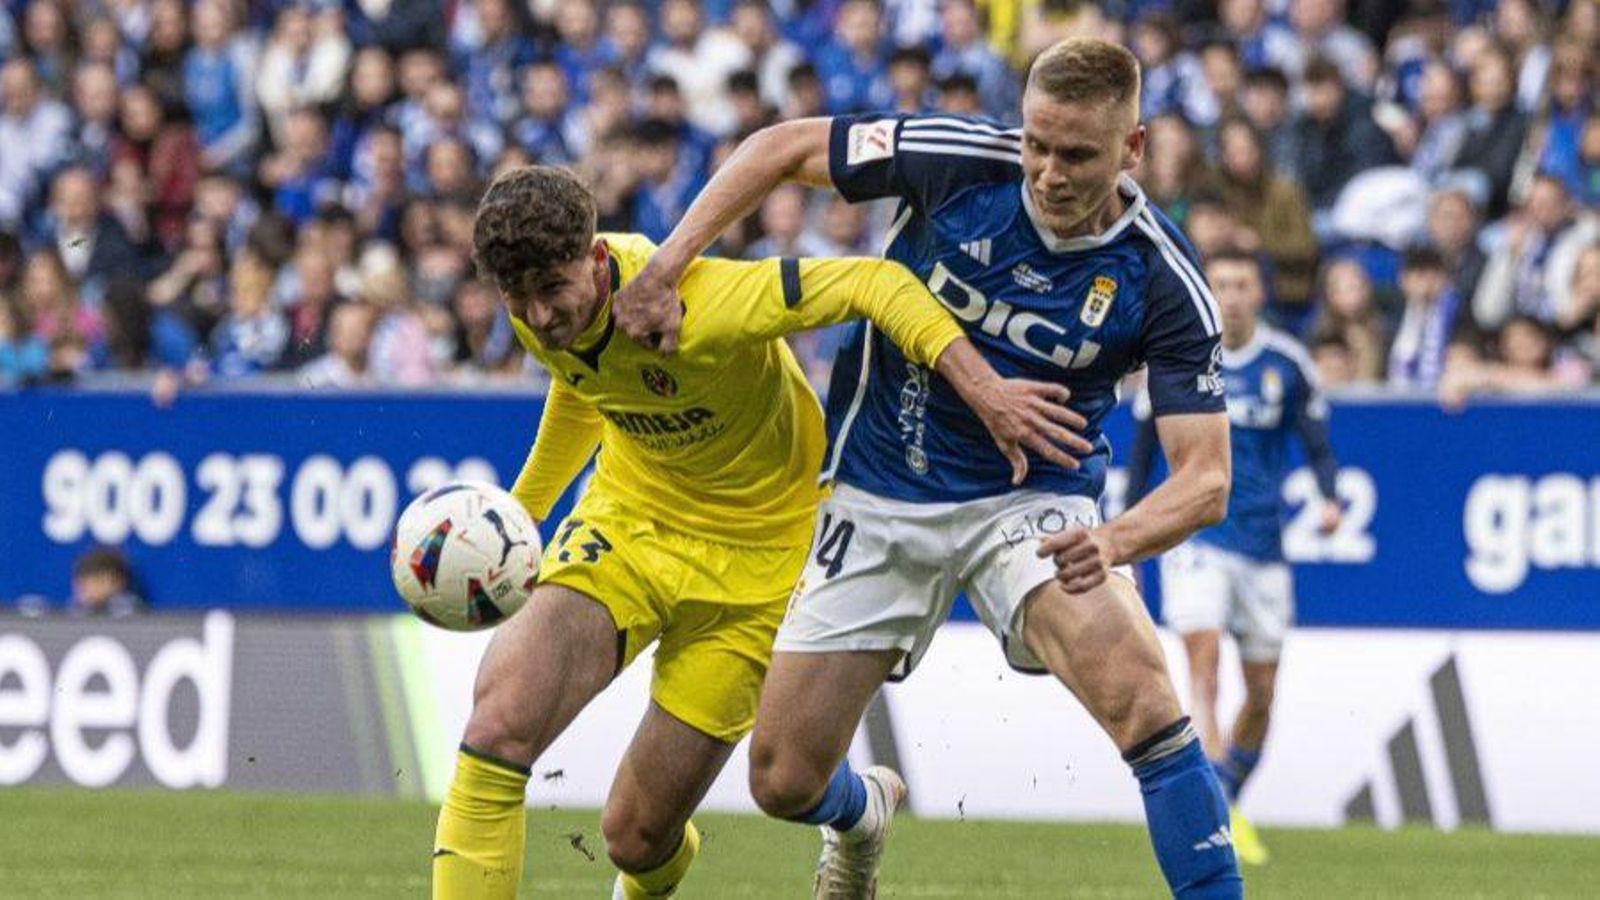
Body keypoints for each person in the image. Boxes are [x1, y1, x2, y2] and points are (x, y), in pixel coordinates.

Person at [615, 37, 1243, 900]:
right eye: (1036, 144)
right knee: (784, 780)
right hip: (878, 489)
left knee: (1145, 699)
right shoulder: (955, 161)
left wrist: (1118, 540)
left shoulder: (1162, 278)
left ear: (1132, 148)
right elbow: (781, 146)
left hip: (1034, 505)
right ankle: (861, 812)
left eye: (1077, 154)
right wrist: (666, 265)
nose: (1049, 173)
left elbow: (1206, 479)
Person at [431, 165, 1088, 900]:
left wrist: (985, 388)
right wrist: (519, 517)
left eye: (552, 292)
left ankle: (861, 809)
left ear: (594, 261)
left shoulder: (708, 302)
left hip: (757, 569)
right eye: (516, 299)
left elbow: (878, 284)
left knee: (636, 837)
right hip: (629, 526)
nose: (539, 317)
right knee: (498, 724)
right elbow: (585, 386)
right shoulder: (537, 307)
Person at [1128, 248, 1341, 867]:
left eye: (1243, 283)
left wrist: (1330, 500)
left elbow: (1319, 446)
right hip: (1196, 537)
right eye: (1221, 282)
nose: (1232, 294)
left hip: (1264, 547)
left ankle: (1226, 794)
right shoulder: (1182, 354)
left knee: (1263, 693)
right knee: (1204, 665)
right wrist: (1131, 538)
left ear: (1260, 292)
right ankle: (1213, 814)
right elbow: (1140, 457)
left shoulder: (1287, 365)